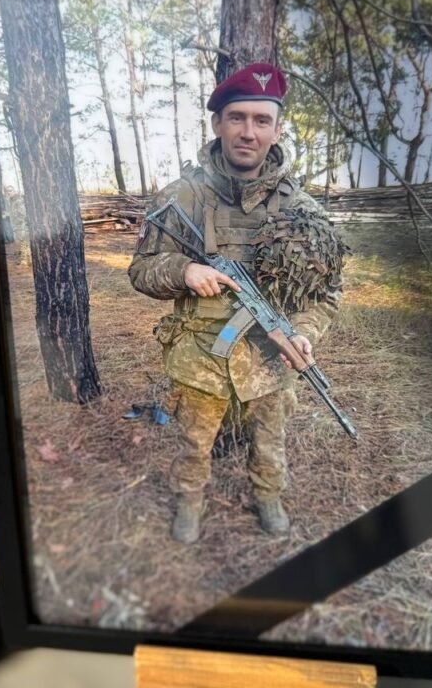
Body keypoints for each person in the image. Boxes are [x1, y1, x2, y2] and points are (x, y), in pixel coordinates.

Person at [128, 62, 340, 544]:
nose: (249, 132)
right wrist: (184, 271)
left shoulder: (302, 210)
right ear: (217, 123)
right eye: (237, 118)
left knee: (270, 440)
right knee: (193, 442)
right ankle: (189, 502)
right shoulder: (182, 197)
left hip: (270, 357)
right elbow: (141, 270)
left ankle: (268, 496)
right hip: (200, 355)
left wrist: (303, 332)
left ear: (277, 129)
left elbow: (328, 292)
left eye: (262, 120)